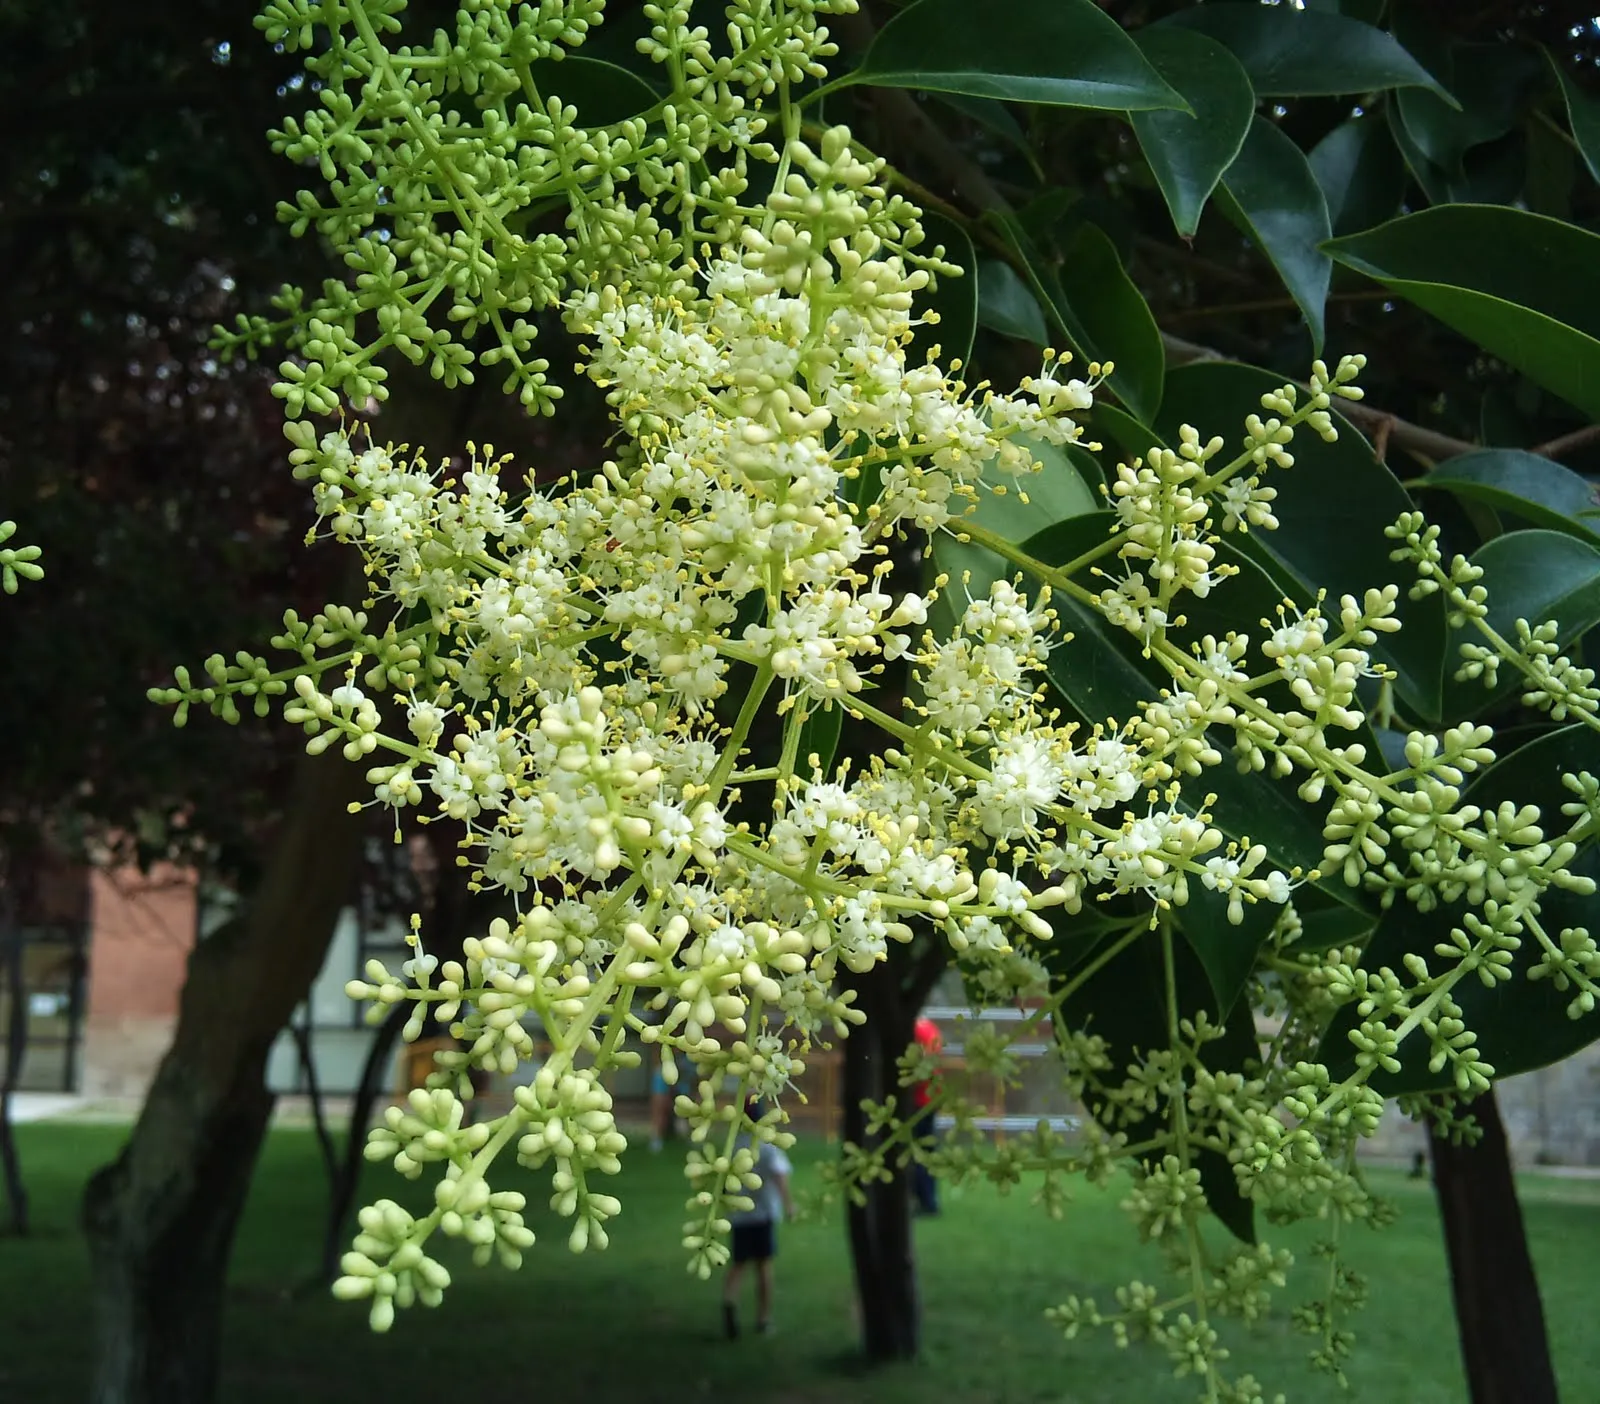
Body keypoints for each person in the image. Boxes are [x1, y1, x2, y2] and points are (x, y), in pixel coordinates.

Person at [722, 1100, 794, 1339]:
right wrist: (789, 1205)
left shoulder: (734, 1145)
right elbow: (780, 1177)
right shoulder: (769, 1146)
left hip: (740, 1215)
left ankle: (730, 1300)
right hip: (763, 1214)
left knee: (738, 1264)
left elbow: (723, 1181)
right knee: (763, 1266)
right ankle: (763, 1318)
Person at [910, 1015, 943, 1216]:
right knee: (926, 1151)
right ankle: (927, 1199)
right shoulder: (929, 1026)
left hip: (919, 1099)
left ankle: (925, 1201)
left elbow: (923, 1061)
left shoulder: (916, 1030)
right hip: (930, 1097)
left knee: (917, 1152)